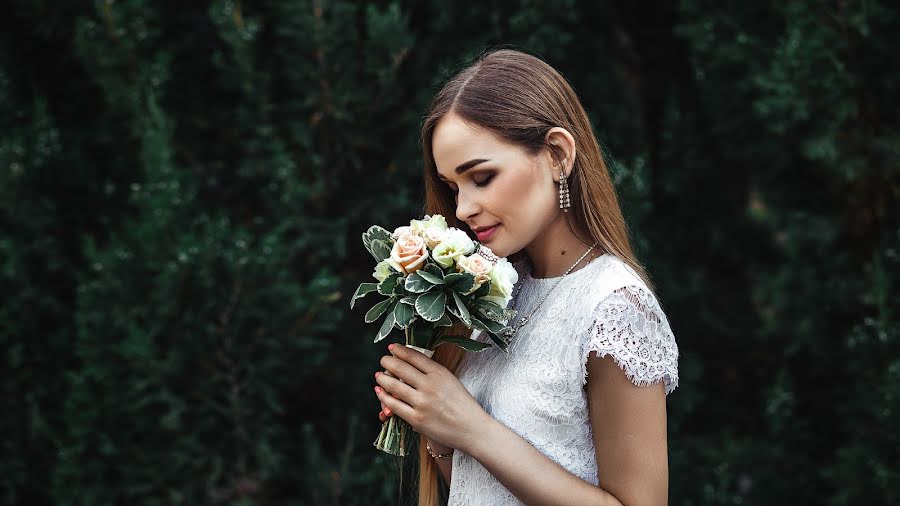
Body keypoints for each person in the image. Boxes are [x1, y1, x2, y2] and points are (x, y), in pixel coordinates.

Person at [373, 48, 679, 506]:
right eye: (453, 187)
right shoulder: (494, 291)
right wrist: (433, 423)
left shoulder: (613, 307)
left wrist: (472, 429)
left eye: (482, 177)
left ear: (557, 154)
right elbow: (482, 487)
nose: (462, 209)